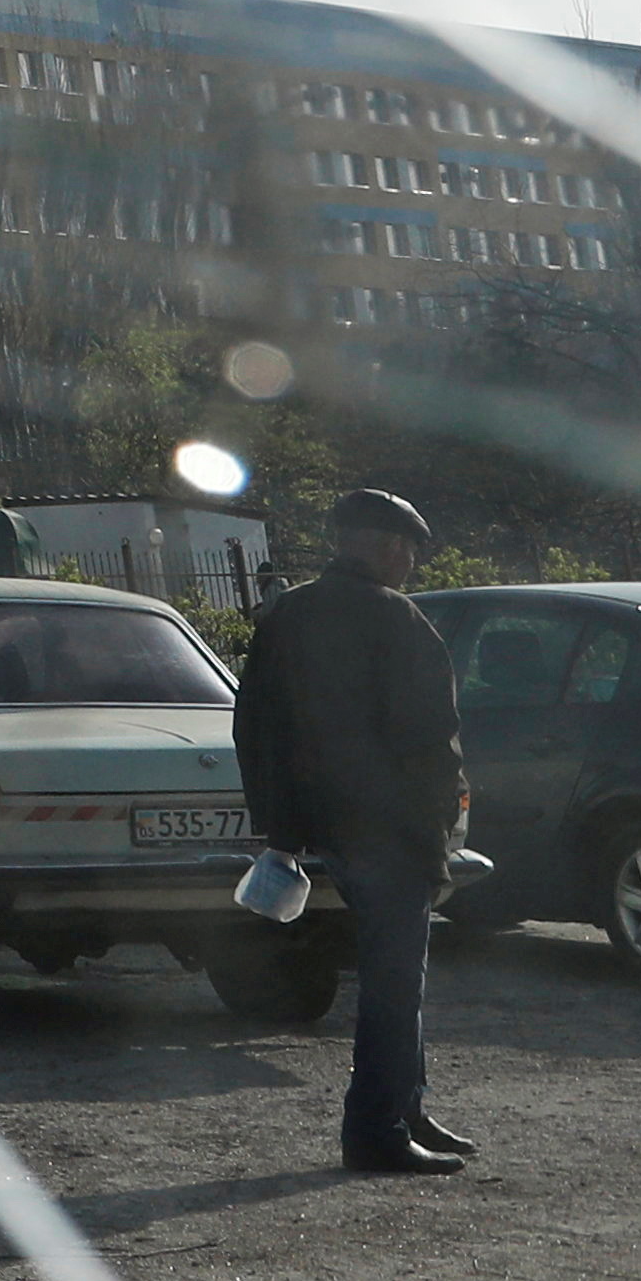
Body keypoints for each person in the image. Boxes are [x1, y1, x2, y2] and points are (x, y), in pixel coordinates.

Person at [234, 487, 473, 1177]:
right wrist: (437, 822)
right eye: (406, 550)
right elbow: (431, 736)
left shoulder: (288, 614)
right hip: (390, 825)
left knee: (392, 975)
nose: (407, 562)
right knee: (394, 981)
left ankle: (404, 1105)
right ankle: (375, 1129)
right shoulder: (395, 620)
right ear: (389, 547)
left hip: (324, 823)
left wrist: (279, 821)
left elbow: (253, 722)